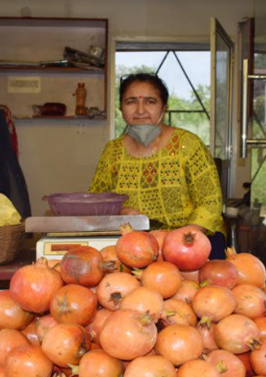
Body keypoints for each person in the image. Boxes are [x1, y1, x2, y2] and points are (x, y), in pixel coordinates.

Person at [90, 73, 227, 258]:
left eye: (150, 101)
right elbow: (97, 202)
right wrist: (118, 212)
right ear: (121, 108)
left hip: (193, 242)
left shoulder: (188, 145)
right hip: (135, 246)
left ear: (164, 107)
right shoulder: (112, 152)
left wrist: (179, 241)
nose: (140, 110)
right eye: (131, 101)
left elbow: (210, 202)